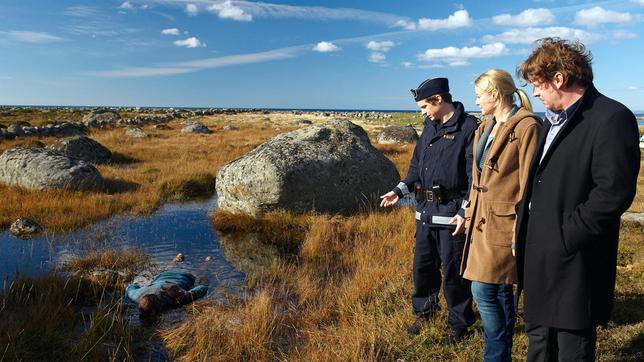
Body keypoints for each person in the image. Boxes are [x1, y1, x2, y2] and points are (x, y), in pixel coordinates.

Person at [514, 37, 640, 361]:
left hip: (576, 264)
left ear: (559, 78)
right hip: (540, 259)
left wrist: (565, 237)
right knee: (539, 347)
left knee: (572, 350)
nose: (535, 93)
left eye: (537, 84)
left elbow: (612, 193)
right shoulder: (550, 120)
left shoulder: (612, 117)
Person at [380, 77, 477, 342]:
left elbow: (473, 178)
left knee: (455, 275)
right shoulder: (429, 126)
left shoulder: (468, 128)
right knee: (422, 269)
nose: (422, 112)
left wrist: (465, 211)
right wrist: (398, 191)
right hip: (424, 213)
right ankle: (424, 314)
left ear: (439, 100)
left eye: (425, 106)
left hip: (451, 216)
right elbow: (415, 167)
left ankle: (459, 325)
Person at [460, 69, 541, 361]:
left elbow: (530, 182)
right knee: (488, 290)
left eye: (480, 94)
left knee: (487, 290)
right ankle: (497, 354)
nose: (477, 100)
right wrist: (465, 212)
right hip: (479, 222)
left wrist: (523, 227)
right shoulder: (484, 128)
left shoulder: (527, 126)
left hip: (505, 224)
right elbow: (476, 180)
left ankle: (495, 356)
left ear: (495, 94)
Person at [126, 256, 209, 318]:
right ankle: (177, 259)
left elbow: (201, 289)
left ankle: (206, 262)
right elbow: (131, 286)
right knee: (167, 269)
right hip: (161, 276)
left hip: (185, 276)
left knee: (199, 274)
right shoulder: (135, 296)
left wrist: (203, 284)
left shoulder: (175, 299)